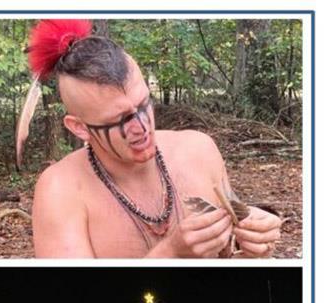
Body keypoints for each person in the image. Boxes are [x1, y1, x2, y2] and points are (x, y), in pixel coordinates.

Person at [27, 19, 282, 258]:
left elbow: (233, 253)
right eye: (121, 120)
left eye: (143, 104)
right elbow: (72, 302)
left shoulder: (199, 151)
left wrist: (254, 245)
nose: (141, 126)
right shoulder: (60, 190)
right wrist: (170, 253)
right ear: (80, 128)